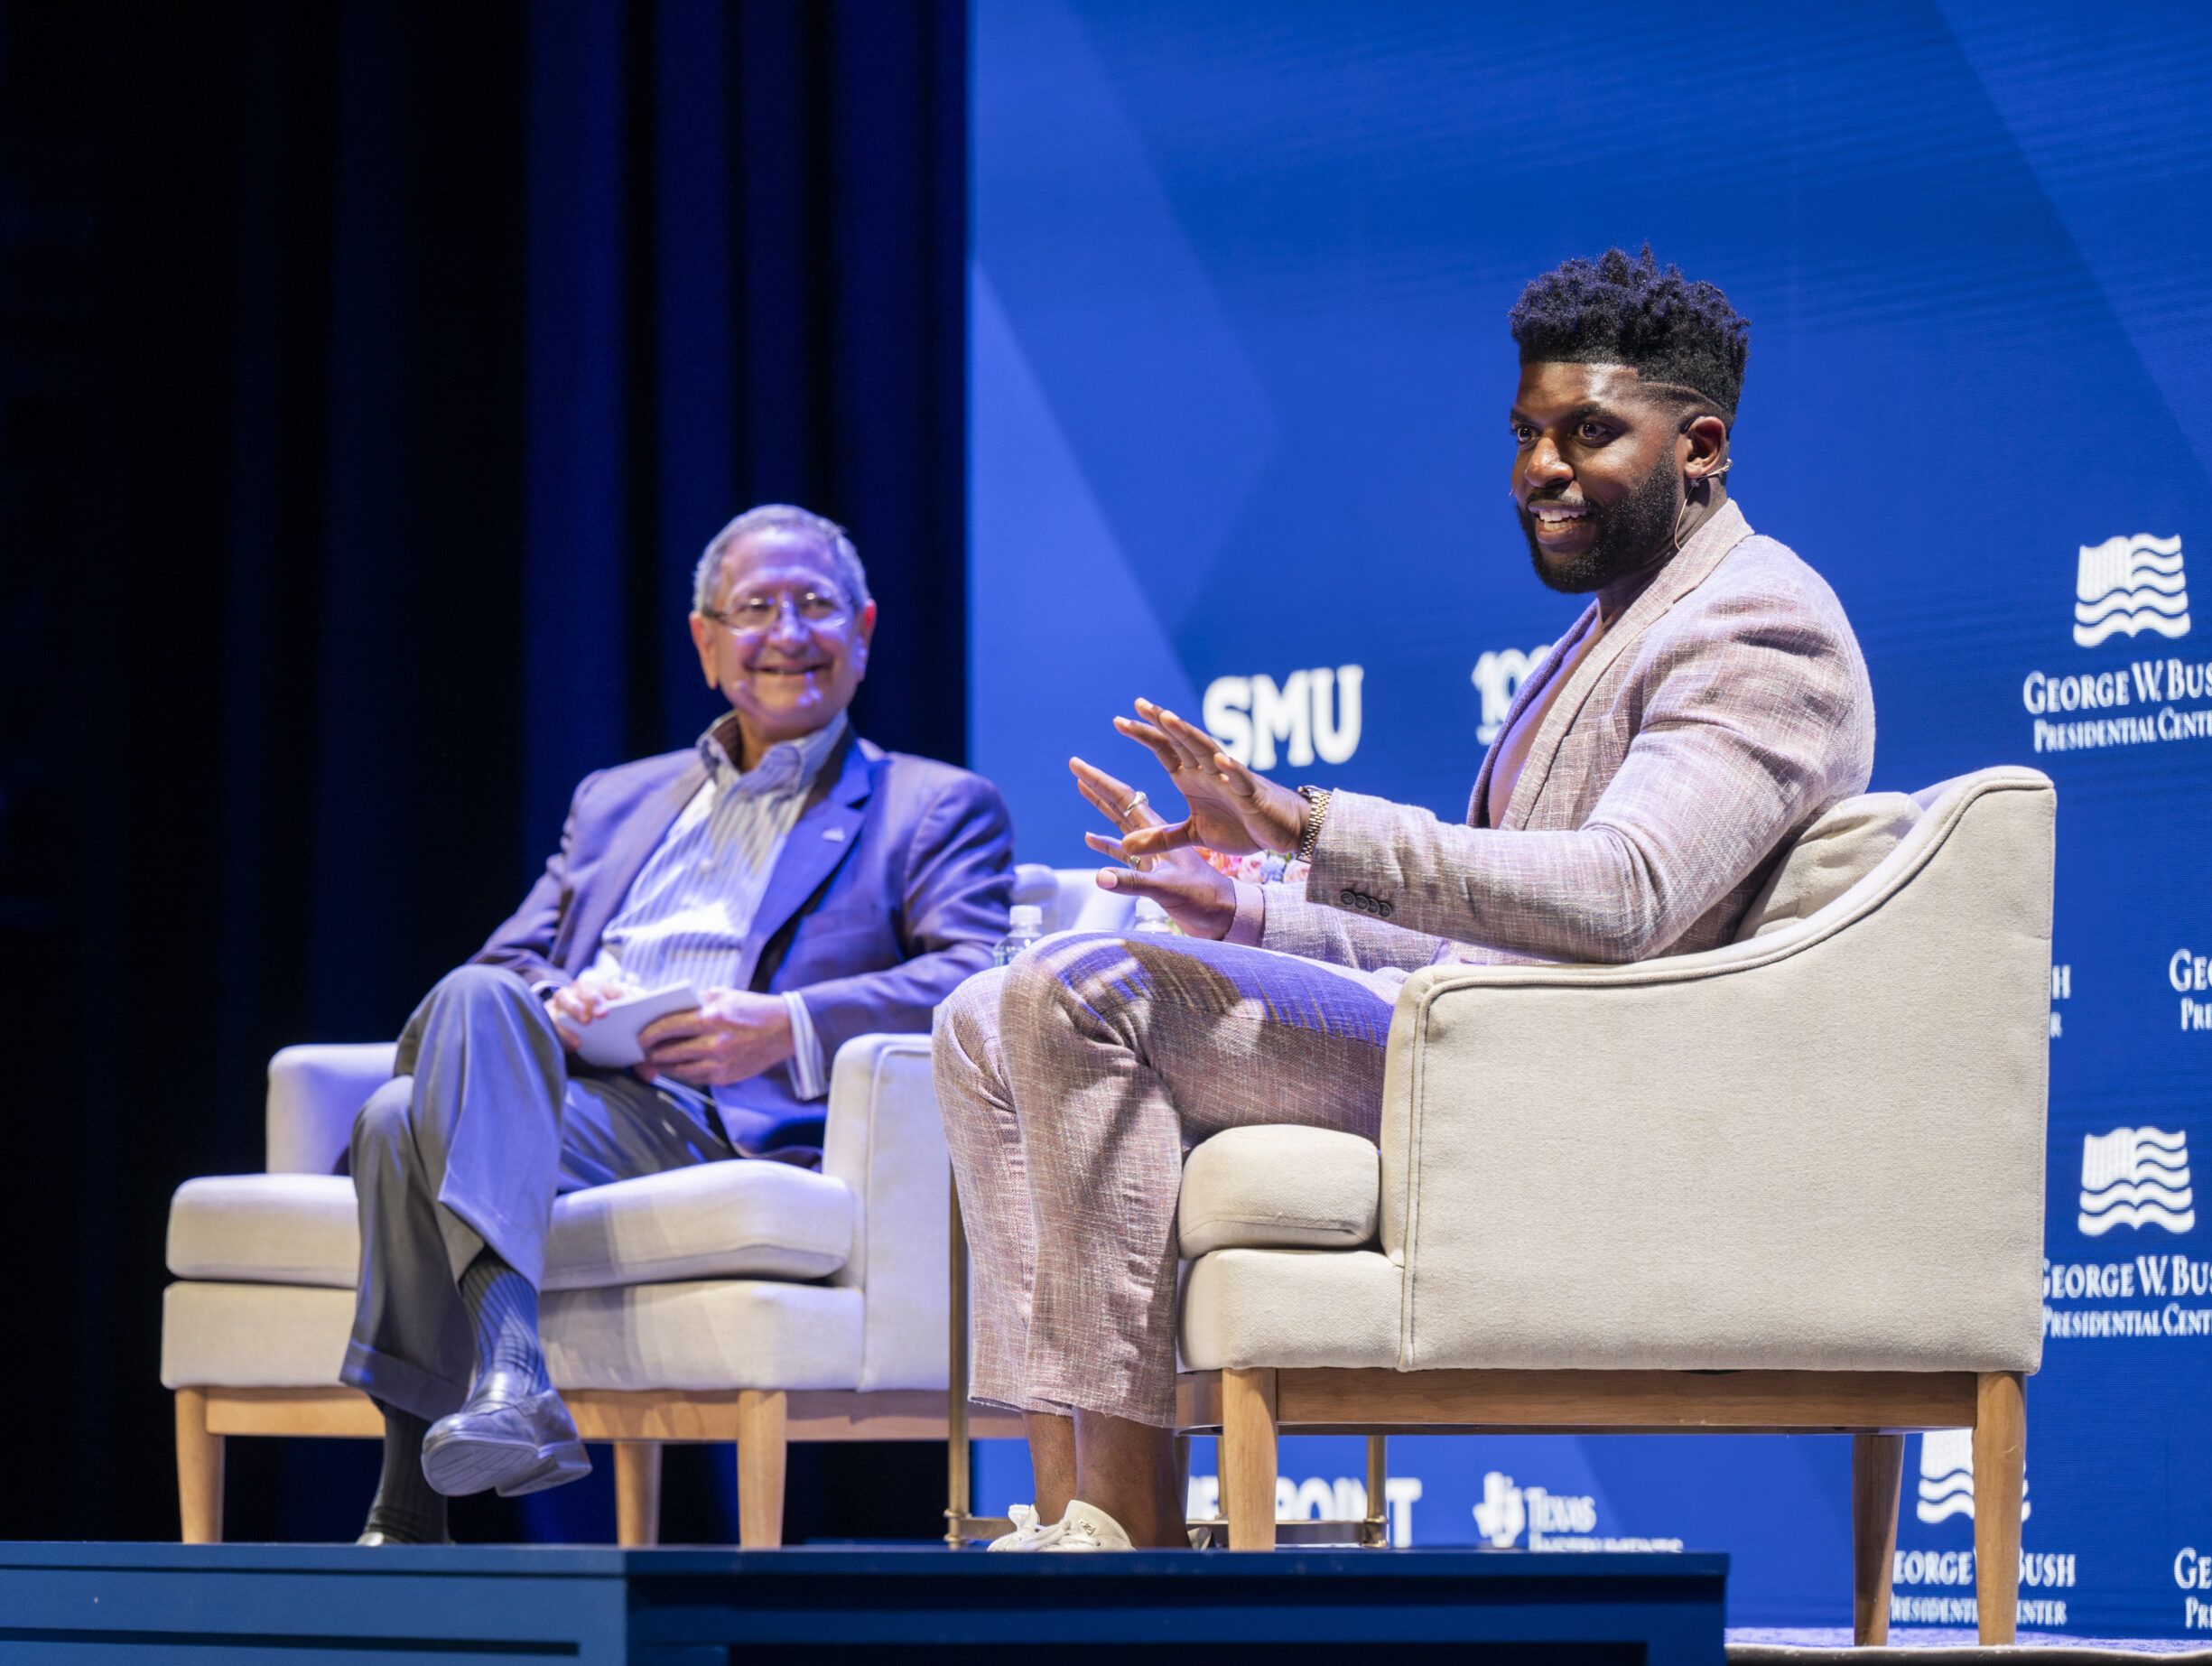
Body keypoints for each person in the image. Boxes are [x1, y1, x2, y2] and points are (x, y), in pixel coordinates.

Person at [934, 247, 1875, 1550]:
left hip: (1584, 1077)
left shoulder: (1763, 624)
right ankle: (1057, 1507)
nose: (1539, 469)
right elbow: (1473, 921)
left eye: (1587, 432)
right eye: (1528, 433)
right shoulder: (1612, 625)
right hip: (1480, 1034)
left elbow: (1622, 897)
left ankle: (1127, 1529)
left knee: (1078, 999)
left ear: (1700, 442)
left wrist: (1309, 824)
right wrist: (1246, 899)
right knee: (981, 1017)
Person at [342, 503, 1013, 1544]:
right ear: (706, 643)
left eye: (816, 606)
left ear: (865, 630)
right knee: (447, 1045)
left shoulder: (930, 807)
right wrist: (558, 1010)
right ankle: (509, 1381)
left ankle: (410, 1498)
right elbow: (504, 962)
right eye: (755, 609)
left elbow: (979, 975)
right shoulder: (618, 800)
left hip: (723, 1120)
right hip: (575, 1096)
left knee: (398, 1118)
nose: (788, 634)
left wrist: (786, 1024)